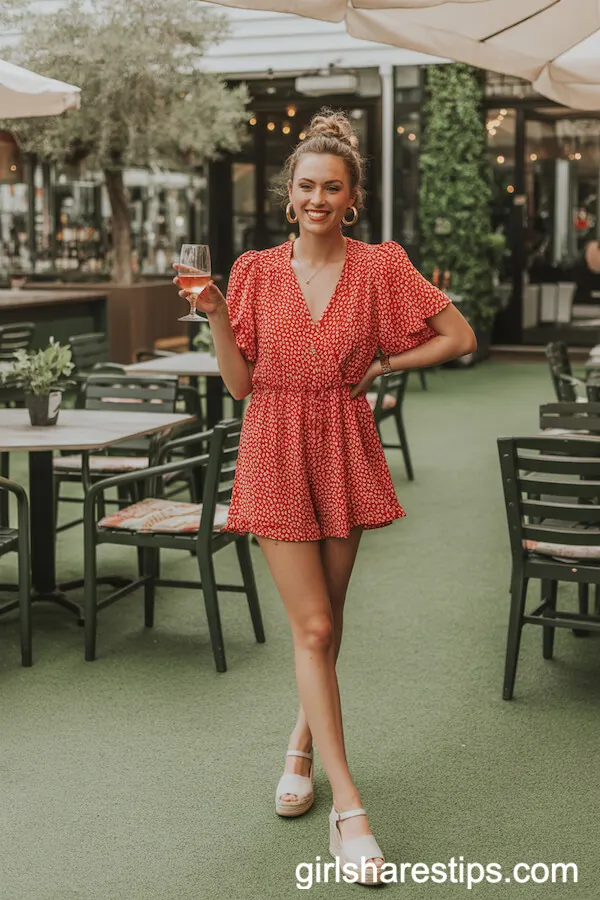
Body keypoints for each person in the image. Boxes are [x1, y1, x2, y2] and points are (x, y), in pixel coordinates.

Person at [174, 109, 476, 885]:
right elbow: (240, 385)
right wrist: (215, 316)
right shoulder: (252, 271)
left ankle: (300, 748)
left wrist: (385, 365)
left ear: (352, 198)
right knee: (311, 628)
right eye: (306, 186)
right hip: (274, 446)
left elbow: (460, 337)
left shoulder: (381, 266)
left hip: (343, 445)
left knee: (327, 625)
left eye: (332, 188)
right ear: (289, 195)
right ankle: (349, 808)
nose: (317, 198)